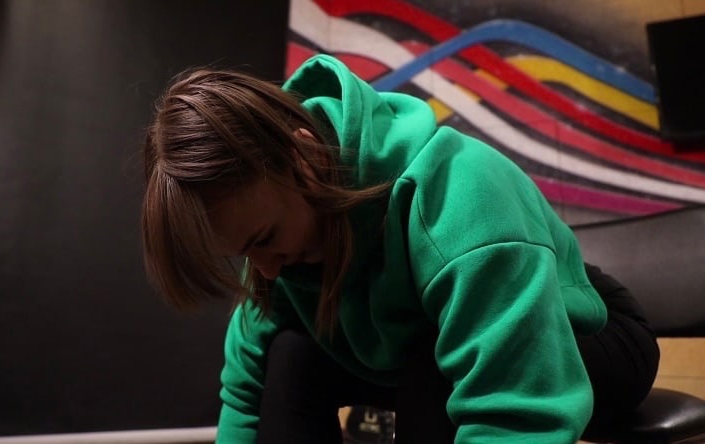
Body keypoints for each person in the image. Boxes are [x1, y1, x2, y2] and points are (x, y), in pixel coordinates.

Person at [141, 54, 660, 443]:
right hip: (421, 348)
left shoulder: (460, 196)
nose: (267, 270)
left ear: (306, 158)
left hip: (585, 331)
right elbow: (246, 402)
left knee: (430, 361)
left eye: (265, 240)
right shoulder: (281, 252)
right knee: (292, 353)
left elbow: (517, 409)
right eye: (246, 253)